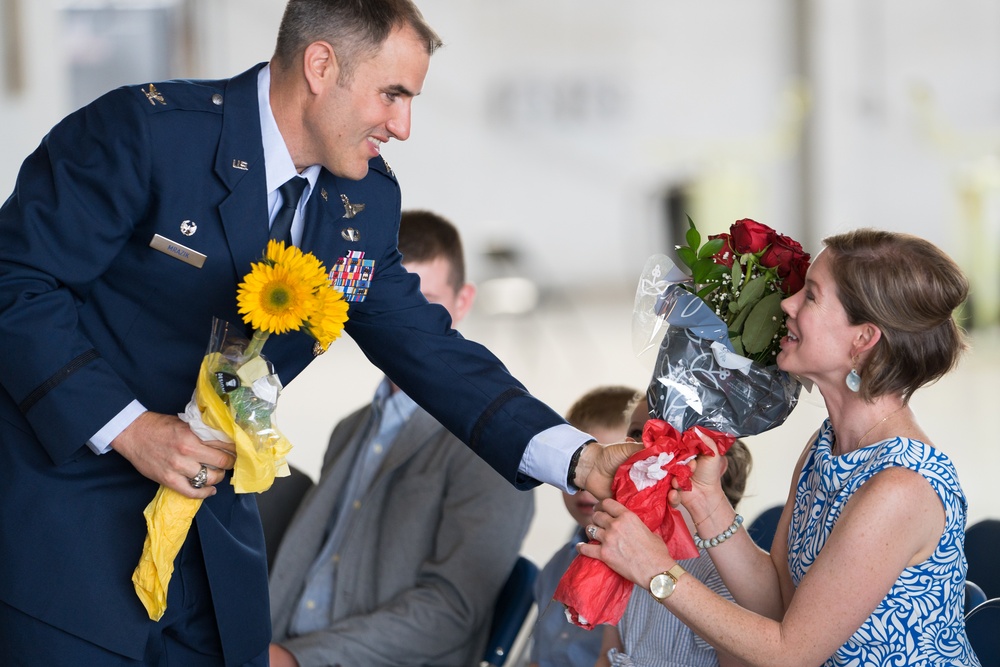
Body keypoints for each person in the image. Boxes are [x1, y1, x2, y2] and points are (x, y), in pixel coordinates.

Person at [0, 1, 633, 663]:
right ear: (321, 65)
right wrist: (132, 428)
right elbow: (15, 281)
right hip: (67, 519)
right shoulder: (147, 132)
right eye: (392, 94)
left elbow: (428, 348)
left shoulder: (363, 200)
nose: (403, 125)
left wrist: (581, 459)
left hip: (211, 543)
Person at [583, 229, 981, 665]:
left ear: (863, 339)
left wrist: (656, 569)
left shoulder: (899, 488)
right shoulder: (827, 446)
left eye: (810, 296)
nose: (787, 304)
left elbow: (791, 654)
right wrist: (709, 503)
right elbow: (778, 603)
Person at [267, 209, 534, 667]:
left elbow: (450, 611)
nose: (403, 325)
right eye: (389, 303)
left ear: (463, 301)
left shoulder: (493, 448)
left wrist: (296, 658)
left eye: (424, 302)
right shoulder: (351, 429)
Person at [596, 397, 752, 667]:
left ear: (711, 465)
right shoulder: (622, 546)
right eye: (636, 434)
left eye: (666, 437)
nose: (641, 450)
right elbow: (608, 655)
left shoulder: (721, 577)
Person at [530, 385, 640, 667]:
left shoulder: (642, 576)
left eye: (608, 470)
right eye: (575, 467)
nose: (586, 486)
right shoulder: (555, 568)